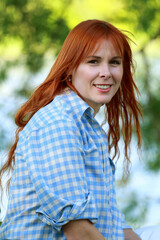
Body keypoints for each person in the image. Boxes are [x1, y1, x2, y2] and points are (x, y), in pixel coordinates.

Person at [0, 19, 143, 239]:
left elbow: (116, 226)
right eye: (93, 62)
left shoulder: (87, 126)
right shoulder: (58, 124)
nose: (106, 72)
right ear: (70, 68)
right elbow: (79, 232)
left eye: (114, 62)